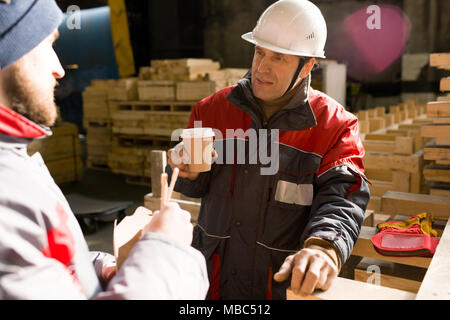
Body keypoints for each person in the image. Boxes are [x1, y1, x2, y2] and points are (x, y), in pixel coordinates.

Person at [0, 0, 208, 299]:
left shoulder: (15, 159)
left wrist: (100, 272)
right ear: (9, 50)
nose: (59, 69)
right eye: (47, 45)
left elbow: (52, 266)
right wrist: (165, 249)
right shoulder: (5, 195)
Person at [167, 0, 370, 299]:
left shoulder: (334, 127)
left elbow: (342, 198)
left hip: (276, 286)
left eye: (278, 57)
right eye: (259, 52)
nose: (261, 67)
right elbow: (193, 186)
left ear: (307, 65)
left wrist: (324, 247)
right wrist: (187, 172)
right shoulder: (211, 111)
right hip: (213, 283)